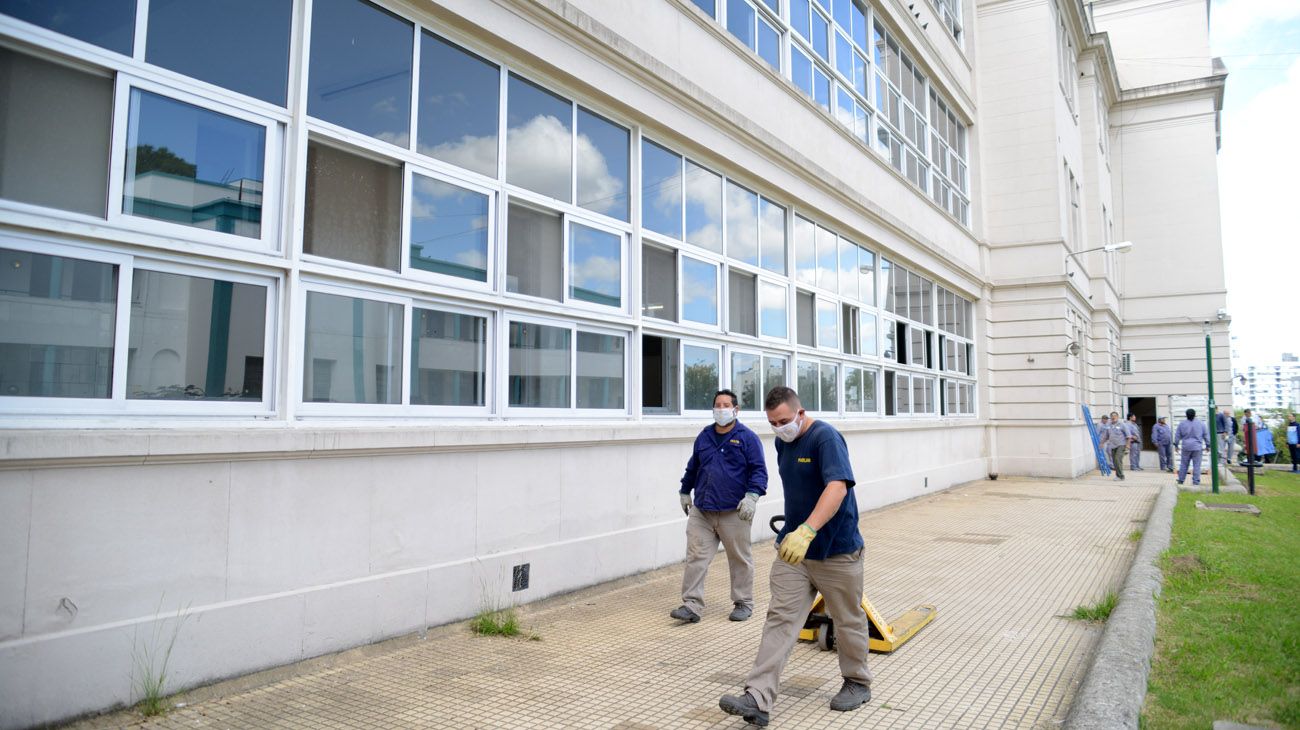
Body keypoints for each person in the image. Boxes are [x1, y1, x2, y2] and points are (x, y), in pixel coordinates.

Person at [719, 387, 871, 726]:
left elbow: (837, 487)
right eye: (772, 422)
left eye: (785, 420)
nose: (779, 427)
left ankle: (857, 682)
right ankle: (757, 697)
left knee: (847, 620)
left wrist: (808, 530)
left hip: (837, 550)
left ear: (801, 413)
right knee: (780, 618)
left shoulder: (825, 438)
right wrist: (793, 533)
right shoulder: (781, 441)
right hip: (795, 555)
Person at [673, 389, 768, 624]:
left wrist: (752, 496)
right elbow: (693, 467)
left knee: (739, 558)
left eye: (727, 405)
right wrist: (685, 491)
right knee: (696, 556)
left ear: (736, 410)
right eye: (718, 404)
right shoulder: (704, 436)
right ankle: (691, 605)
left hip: (734, 511)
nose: (722, 409)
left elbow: (759, 471)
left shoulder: (747, 438)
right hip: (703, 510)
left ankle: (743, 603)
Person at [1175, 408, 1210, 486]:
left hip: (1186, 447)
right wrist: (1208, 445)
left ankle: (1181, 480)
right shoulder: (1201, 424)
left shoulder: (1182, 424)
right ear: (1195, 415)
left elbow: (1177, 436)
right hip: (1197, 447)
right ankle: (1196, 482)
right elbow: (1206, 436)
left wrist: (1176, 445)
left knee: (1184, 464)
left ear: (1186, 415)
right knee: (1197, 465)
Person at [1101, 411, 1128, 480]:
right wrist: (1102, 443)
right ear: (1110, 417)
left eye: (1115, 416)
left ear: (1117, 417)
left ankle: (1121, 476)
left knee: (1117, 459)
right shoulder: (1109, 425)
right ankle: (1118, 475)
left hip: (1121, 444)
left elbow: (1128, 436)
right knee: (1115, 461)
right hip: (1112, 445)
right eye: (1112, 416)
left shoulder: (1122, 424)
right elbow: (1106, 436)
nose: (1113, 417)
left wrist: (1128, 446)